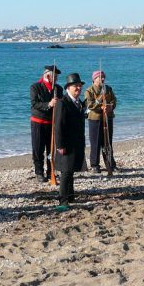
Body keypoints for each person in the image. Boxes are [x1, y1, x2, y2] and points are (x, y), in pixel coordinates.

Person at [54, 73, 86, 210]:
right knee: (65, 171)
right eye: (75, 86)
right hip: (66, 142)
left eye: (79, 86)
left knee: (71, 169)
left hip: (77, 141)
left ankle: (71, 195)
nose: (78, 88)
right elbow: (58, 125)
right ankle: (62, 200)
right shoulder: (63, 102)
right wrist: (59, 145)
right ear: (68, 88)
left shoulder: (79, 102)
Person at [29, 65, 64, 182]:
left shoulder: (58, 89)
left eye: (57, 76)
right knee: (38, 149)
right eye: (55, 76)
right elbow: (35, 104)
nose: (57, 78)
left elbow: (62, 103)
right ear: (48, 75)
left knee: (51, 149)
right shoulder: (35, 87)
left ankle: (51, 171)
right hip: (38, 122)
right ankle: (39, 172)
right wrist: (49, 104)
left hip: (51, 122)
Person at [84, 70, 117, 174]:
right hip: (95, 119)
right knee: (95, 143)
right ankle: (94, 165)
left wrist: (109, 107)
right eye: (100, 77)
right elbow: (89, 105)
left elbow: (114, 101)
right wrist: (99, 100)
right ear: (94, 79)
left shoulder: (108, 89)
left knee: (108, 142)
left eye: (103, 77)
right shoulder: (89, 91)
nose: (103, 79)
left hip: (108, 117)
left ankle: (110, 164)